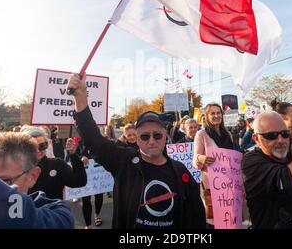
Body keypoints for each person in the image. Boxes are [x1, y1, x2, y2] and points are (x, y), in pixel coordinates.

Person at [68, 73, 205, 229]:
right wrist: (80, 98)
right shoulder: (123, 161)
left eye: (157, 135)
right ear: (137, 139)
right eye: (145, 136)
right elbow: (92, 139)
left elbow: (196, 217)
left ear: (165, 137)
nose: (152, 141)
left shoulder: (181, 172)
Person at [193, 103, 237, 227]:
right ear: (207, 116)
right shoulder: (201, 134)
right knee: (214, 223)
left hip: (229, 185)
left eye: (218, 113)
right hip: (212, 186)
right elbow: (195, 160)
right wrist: (201, 158)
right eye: (212, 113)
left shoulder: (227, 134)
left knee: (230, 221)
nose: (216, 116)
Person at [21, 126, 87, 200]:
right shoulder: (18, 168)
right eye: (33, 147)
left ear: (47, 145)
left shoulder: (57, 164)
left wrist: (74, 156)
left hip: (53, 211)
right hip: (27, 211)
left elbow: (79, 182)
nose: (38, 150)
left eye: (42, 146)